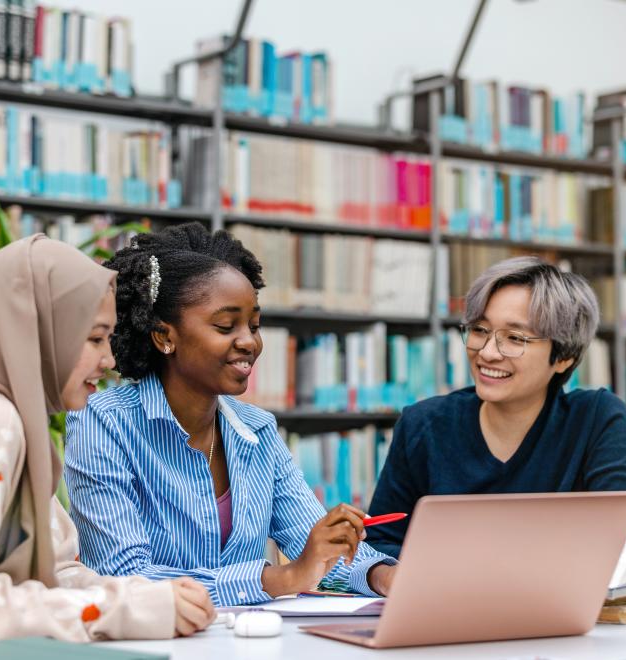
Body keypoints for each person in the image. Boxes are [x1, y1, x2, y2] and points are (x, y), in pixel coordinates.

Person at [0, 236, 215, 646]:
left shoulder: (10, 423)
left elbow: (54, 573)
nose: (109, 361)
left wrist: (146, 598)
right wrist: (127, 611)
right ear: (34, 333)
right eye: (94, 338)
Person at [64, 223, 396, 606]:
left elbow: (313, 545)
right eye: (226, 326)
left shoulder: (258, 430)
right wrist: (280, 577)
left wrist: (383, 575)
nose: (249, 342)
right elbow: (124, 576)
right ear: (164, 336)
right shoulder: (103, 422)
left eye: (254, 325)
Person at [365, 256, 626, 558]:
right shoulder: (422, 424)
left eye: (514, 338)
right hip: (448, 603)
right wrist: (388, 575)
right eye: (479, 330)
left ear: (563, 357)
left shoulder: (597, 418)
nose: (488, 353)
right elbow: (380, 542)